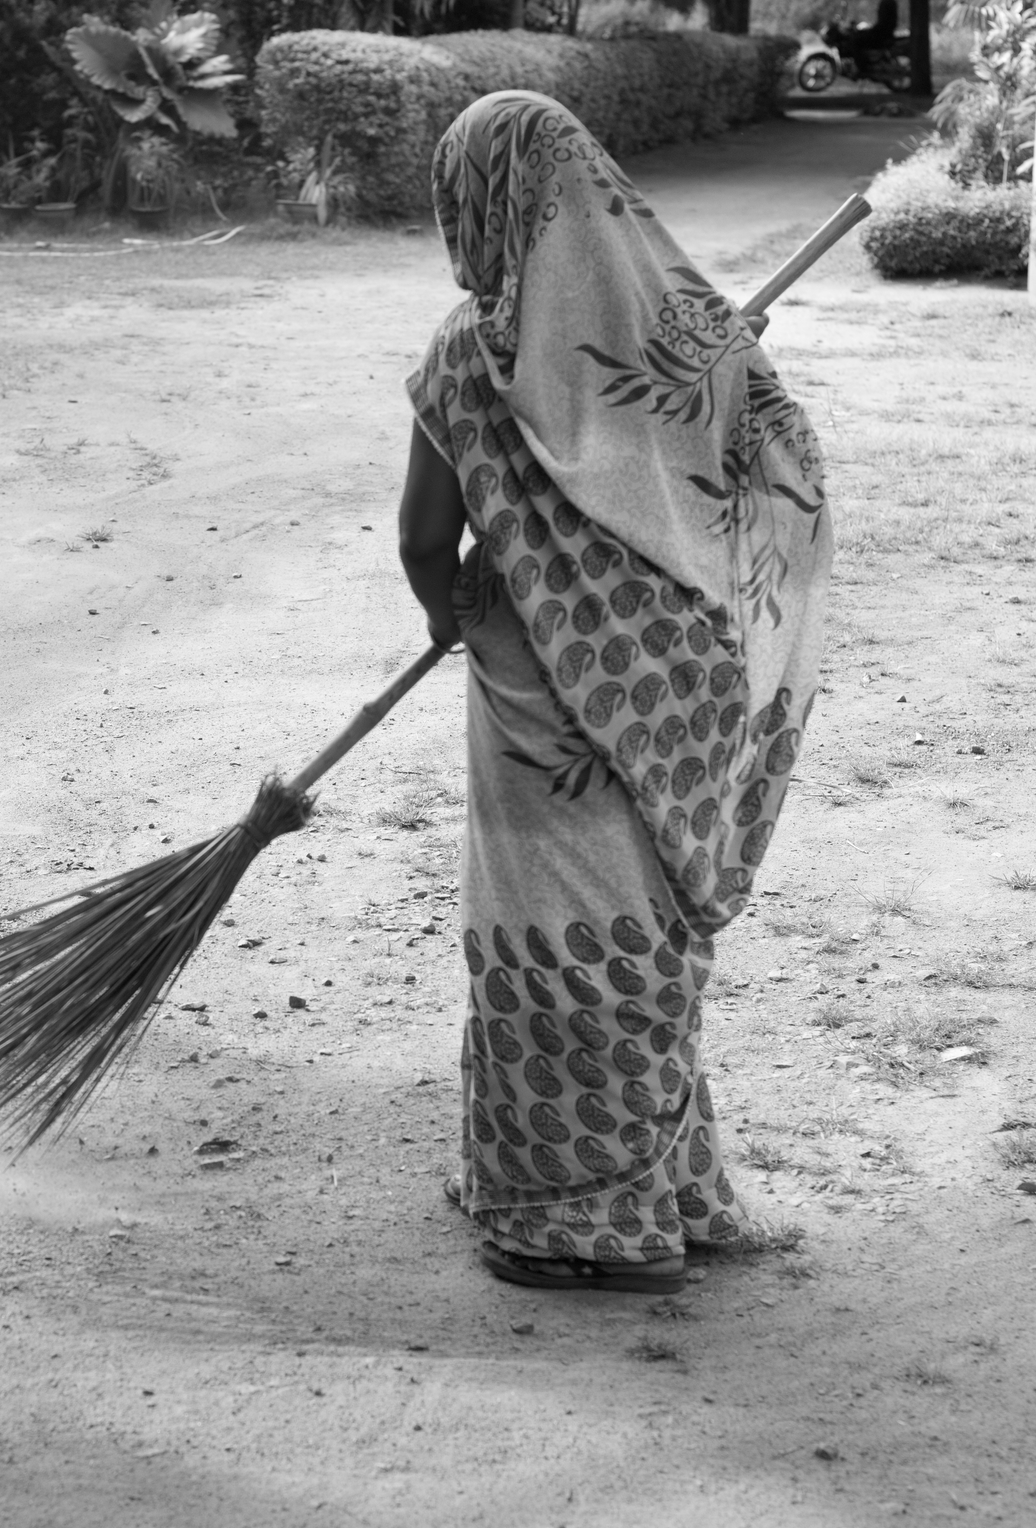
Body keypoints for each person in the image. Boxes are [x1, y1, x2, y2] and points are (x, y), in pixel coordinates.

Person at [398, 92, 832, 1294]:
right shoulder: (675, 330)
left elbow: (423, 540)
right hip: (681, 677)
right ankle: (656, 1185)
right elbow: (769, 463)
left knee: (548, 929)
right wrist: (719, 365)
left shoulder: (465, 352)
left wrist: (453, 616)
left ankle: (565, 1211)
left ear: (471, 204)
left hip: (540, 680)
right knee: (646, 933)